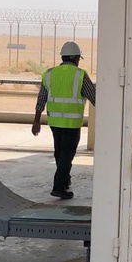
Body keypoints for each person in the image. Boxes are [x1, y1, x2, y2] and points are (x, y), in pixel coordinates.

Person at [31, 41, 96, 200]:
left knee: (60, 153)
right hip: (72, 124)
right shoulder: (80, 75)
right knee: (67, 155)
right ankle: (59, 186)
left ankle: (65, 180)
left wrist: (36, 121)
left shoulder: (49, 74)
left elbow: (41, 99)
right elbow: (95, 97)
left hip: (54, 122)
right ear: (75, 58)